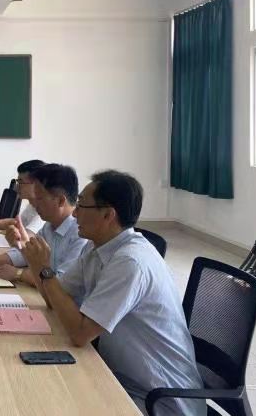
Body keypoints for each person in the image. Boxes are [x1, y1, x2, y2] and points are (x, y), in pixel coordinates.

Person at [22, 170, 205, 416]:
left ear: (108, 215)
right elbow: (54, 299)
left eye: (82, 206)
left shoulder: (130, 262)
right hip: (120, 377)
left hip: (159, 400)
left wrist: (45, 271)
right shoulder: (95, 247)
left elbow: (80, 334)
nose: (74, 213)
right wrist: (38, 266)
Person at [0, 163, 86, 286]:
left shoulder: (81, 234)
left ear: (60, 200)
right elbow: (27, 255)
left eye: (39, 198)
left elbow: (61, 282)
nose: (34, 204)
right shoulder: (49, 225)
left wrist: (19, 274)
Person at [0, 159, 45, 233]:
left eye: (21, 182)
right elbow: (17, 223)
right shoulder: (32, 205)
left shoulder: (44, 211)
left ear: (36, 184)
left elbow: (28, 237)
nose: (17, 187)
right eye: (18, 181)